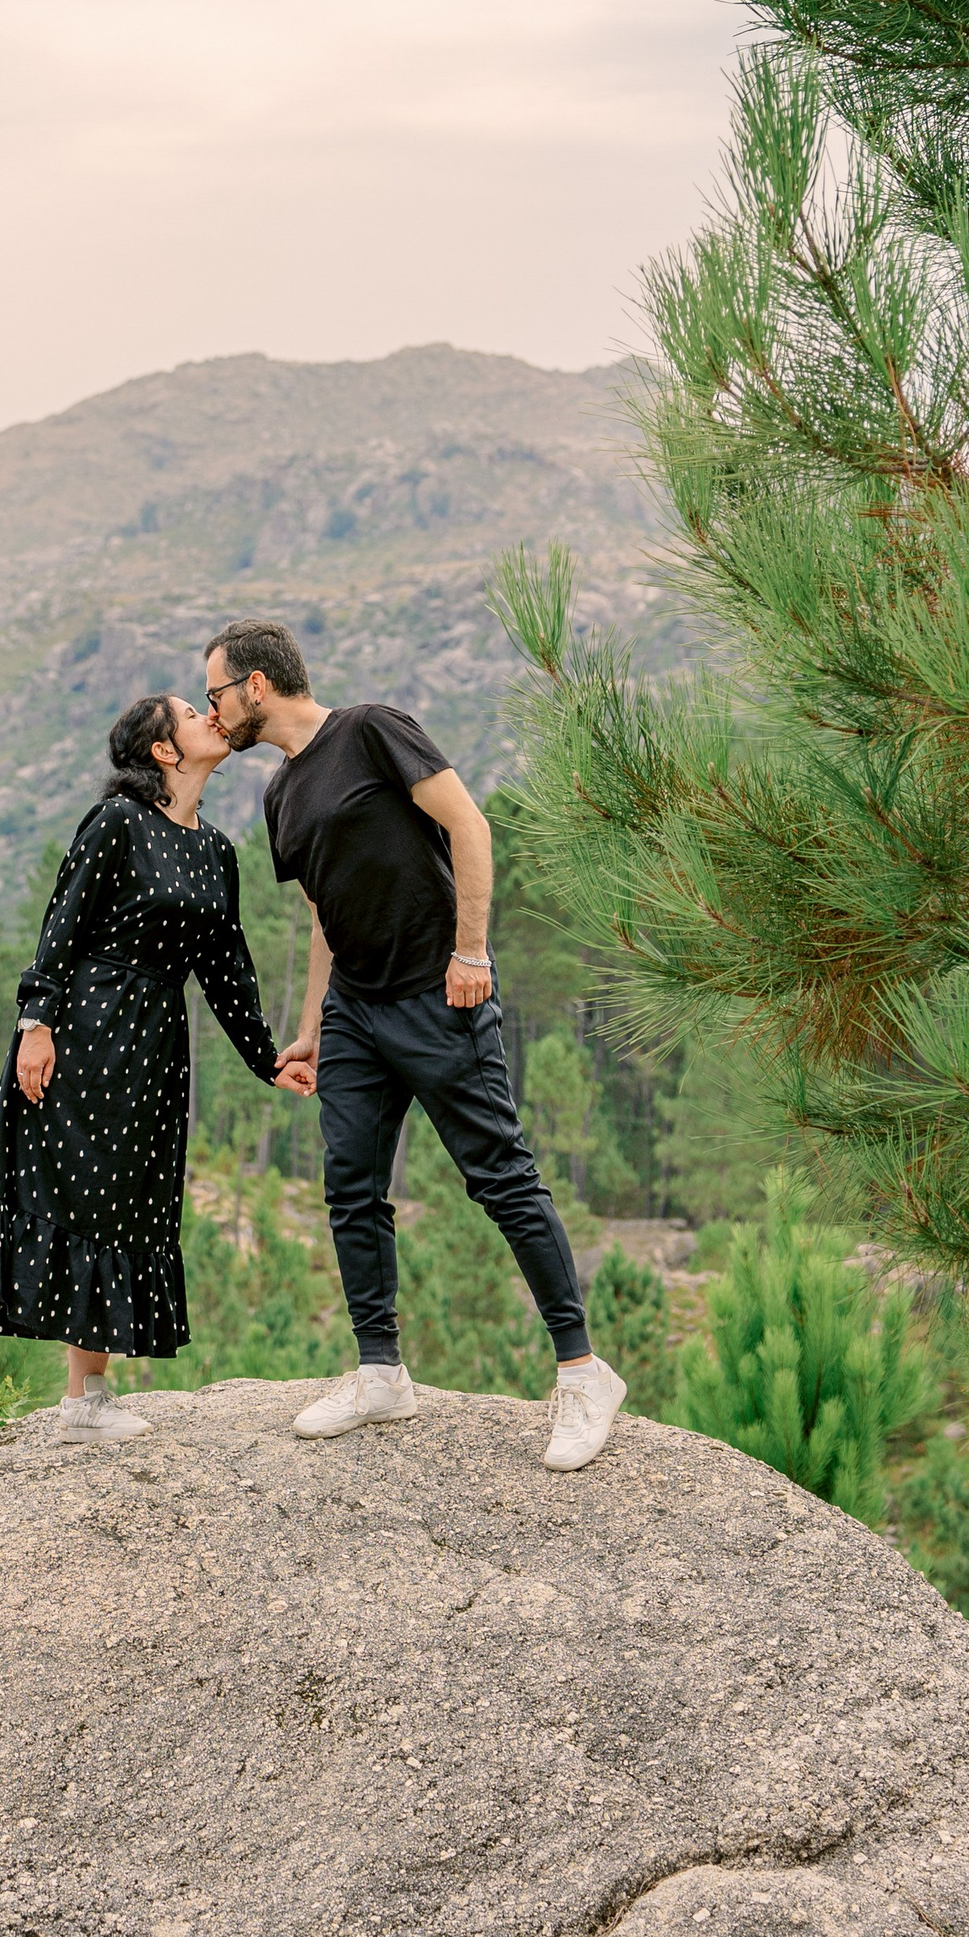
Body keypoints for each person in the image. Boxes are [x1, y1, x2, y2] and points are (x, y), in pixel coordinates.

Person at [202, 618, 625, 1471]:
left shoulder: (370, 731)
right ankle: (381, 1371)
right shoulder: (279, 794)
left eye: (214, 693)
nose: (213, 712)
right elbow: (324, 915)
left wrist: (471, 950)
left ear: (255, 685)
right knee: (351, 1189)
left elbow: (469, 825)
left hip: (439, 993)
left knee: (499, 1176)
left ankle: (582, 1373)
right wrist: (317, 1025)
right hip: (357, 1011)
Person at [0, 691, 311, 1467]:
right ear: (164, 749)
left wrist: (267, 1057)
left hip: (154, 1052)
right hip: (80, 1034)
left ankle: (85, 1401)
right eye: (193, 714)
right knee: (30, 1197)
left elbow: (226, 969)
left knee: (120, 1208)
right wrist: (36, 1024)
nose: (209, 717)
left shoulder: (216, 851)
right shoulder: (117, 824)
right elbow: (61, 926)